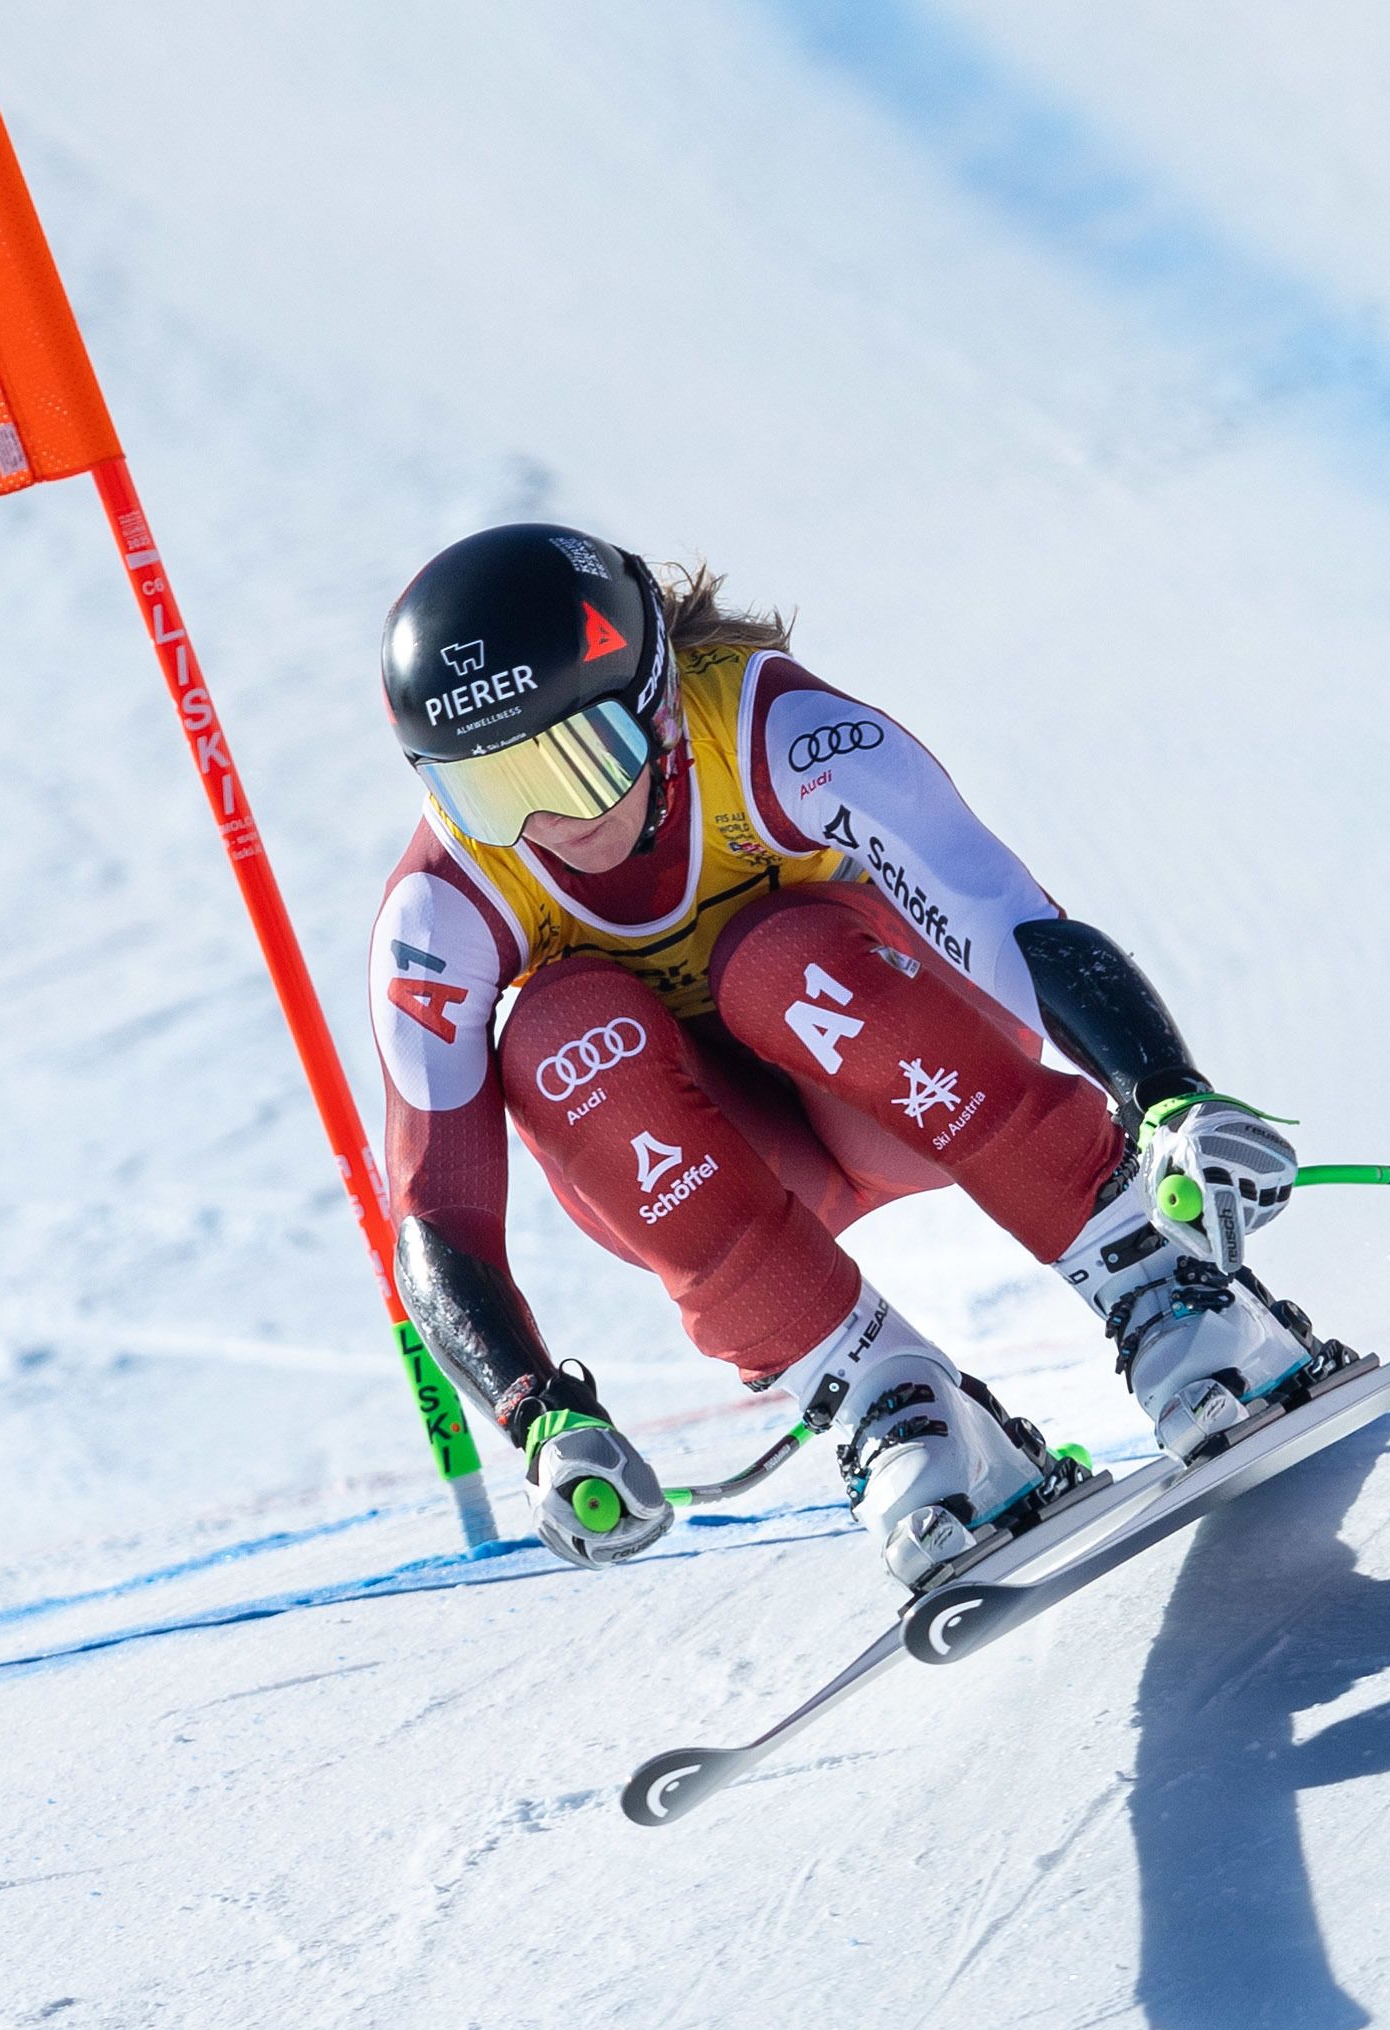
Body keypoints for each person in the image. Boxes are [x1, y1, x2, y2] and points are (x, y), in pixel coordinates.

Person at [367, 523, 1327, 1588]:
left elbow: (1003, 921)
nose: (549, 823)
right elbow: (436, 1214)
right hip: (735, 1169)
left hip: (906, 1073)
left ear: (657, 702)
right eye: (491, 792)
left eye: (582, 765)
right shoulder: (443, 907)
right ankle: (894, 1404)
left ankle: (1163, 1283)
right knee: (554, 1031)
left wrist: (1164, 1095)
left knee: (777, 957)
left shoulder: (774, 730)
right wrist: (537, 1415)